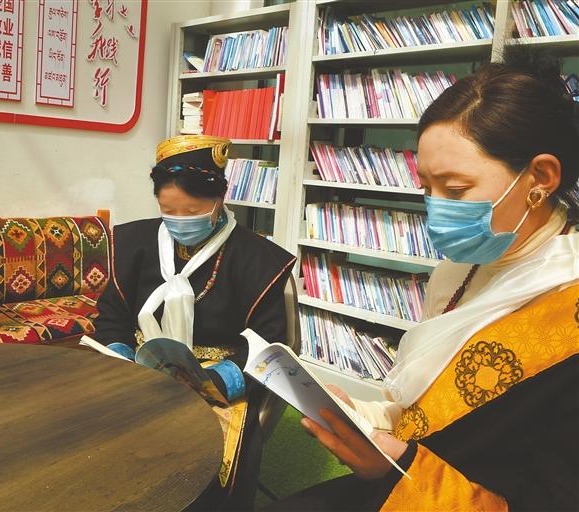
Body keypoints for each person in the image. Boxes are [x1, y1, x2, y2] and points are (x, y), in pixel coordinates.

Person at [267, 49, 579, 510]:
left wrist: (400, 471)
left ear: (542, 177)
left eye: (455, 190)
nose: (435, 210)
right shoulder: (458, 271)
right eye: (426, 188)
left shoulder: (567, 304)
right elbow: (425, 407)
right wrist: (366, 418)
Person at [92, 135, 296, 510]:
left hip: (216, 378)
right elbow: (113, 315)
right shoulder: (134, 242)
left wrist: (214, 380)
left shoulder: (258, 260)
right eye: (168, 210)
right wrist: (119, 357)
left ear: (219, 198)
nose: (180, 221)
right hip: (140, 368)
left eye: (192, 211)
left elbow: (268, 345)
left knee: (199, 465)